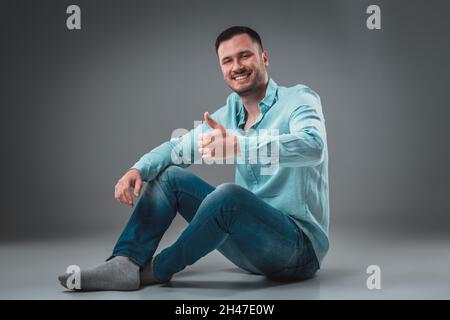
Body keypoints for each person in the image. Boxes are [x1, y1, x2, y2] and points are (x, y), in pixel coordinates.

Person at [59, 26, 329, 291]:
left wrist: (238, 144)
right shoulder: (230, 113)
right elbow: (178, 148)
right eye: (227, 60)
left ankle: (155, 270)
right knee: (169, 177)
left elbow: (313, 146)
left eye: (245, 55)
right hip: (250, 251)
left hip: (298, 251)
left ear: (264, 58)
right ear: (222, 70)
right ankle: (125, 263)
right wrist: (137, 169)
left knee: (228, 197)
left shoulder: (298, 99)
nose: (237, 66)